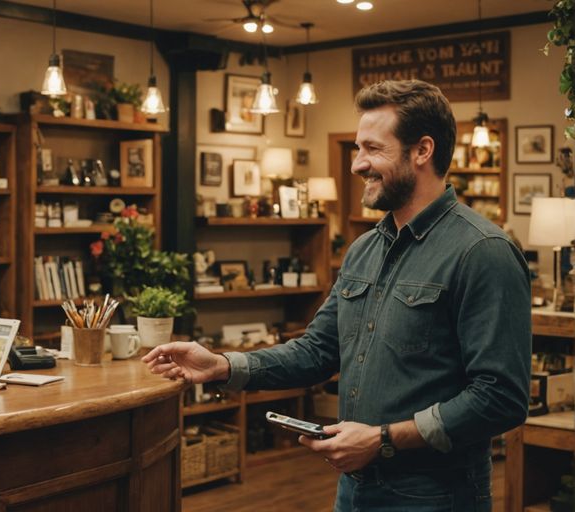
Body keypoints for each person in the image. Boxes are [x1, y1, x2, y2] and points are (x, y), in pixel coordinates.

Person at [145, 80, 530, 511]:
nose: (356, 165)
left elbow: (501, 398)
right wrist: (221, 365)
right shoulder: (364, 249)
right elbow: (318, 351)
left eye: (372, 149)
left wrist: (383, 439)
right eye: (356, 149)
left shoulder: (483, 252)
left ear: (422, 150)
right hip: (355, 487)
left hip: (435, 495)